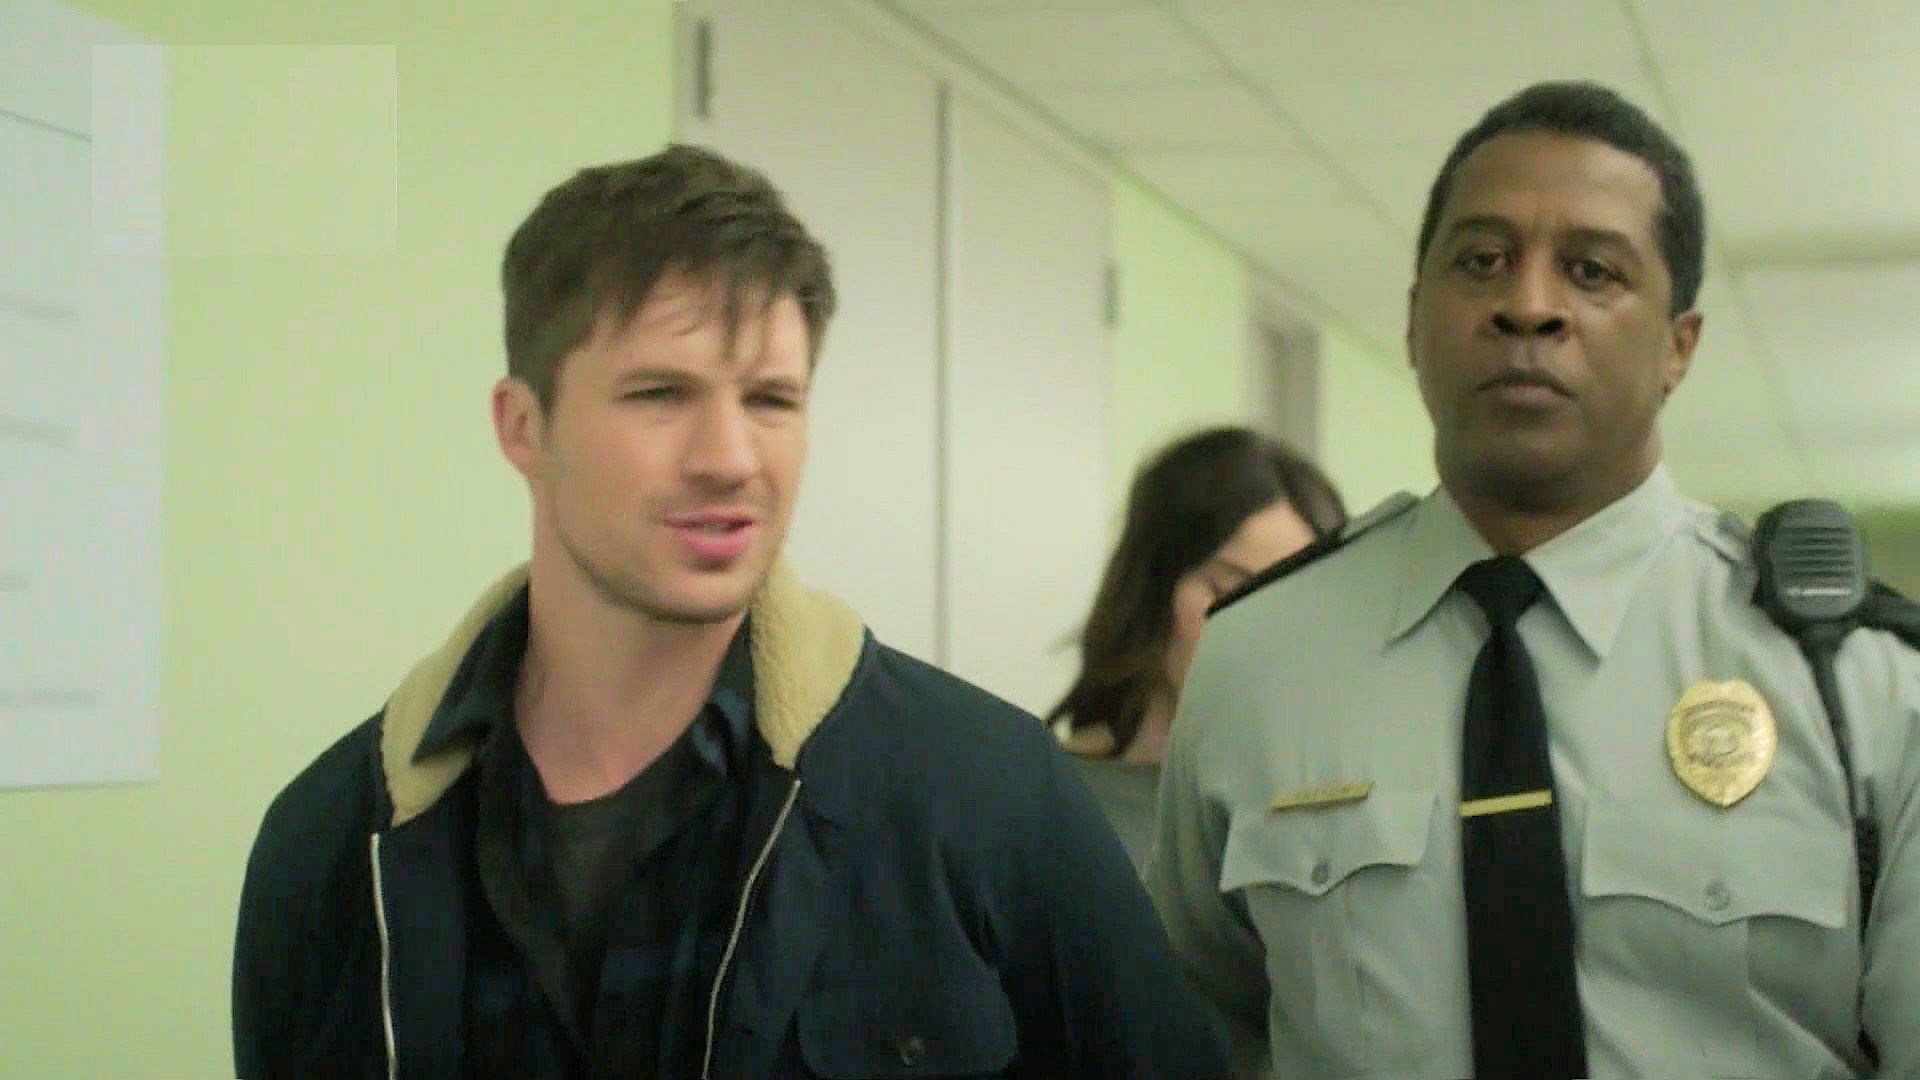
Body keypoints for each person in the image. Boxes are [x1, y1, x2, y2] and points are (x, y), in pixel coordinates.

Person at [231, 145, 1226, 1079]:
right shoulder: (333, 842)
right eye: (659, 393)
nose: (729, 458)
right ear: (523, 427)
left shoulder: (985, 795)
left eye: (770, 400)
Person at [1148, 81, 1920, 1079]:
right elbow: (1196, 1029)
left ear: (1678, 346)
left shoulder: (1851, 679)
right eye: (1483, 261)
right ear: (1416, 319)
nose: (1528, 305)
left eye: (1593, 271)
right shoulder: (1257, 660)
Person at [1048, 427, 1346, 872]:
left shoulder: (1329, 811)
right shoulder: (1043, 794)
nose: (1260, 633)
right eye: (1227, 593)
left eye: (1295, 605)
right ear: (1151, 587)